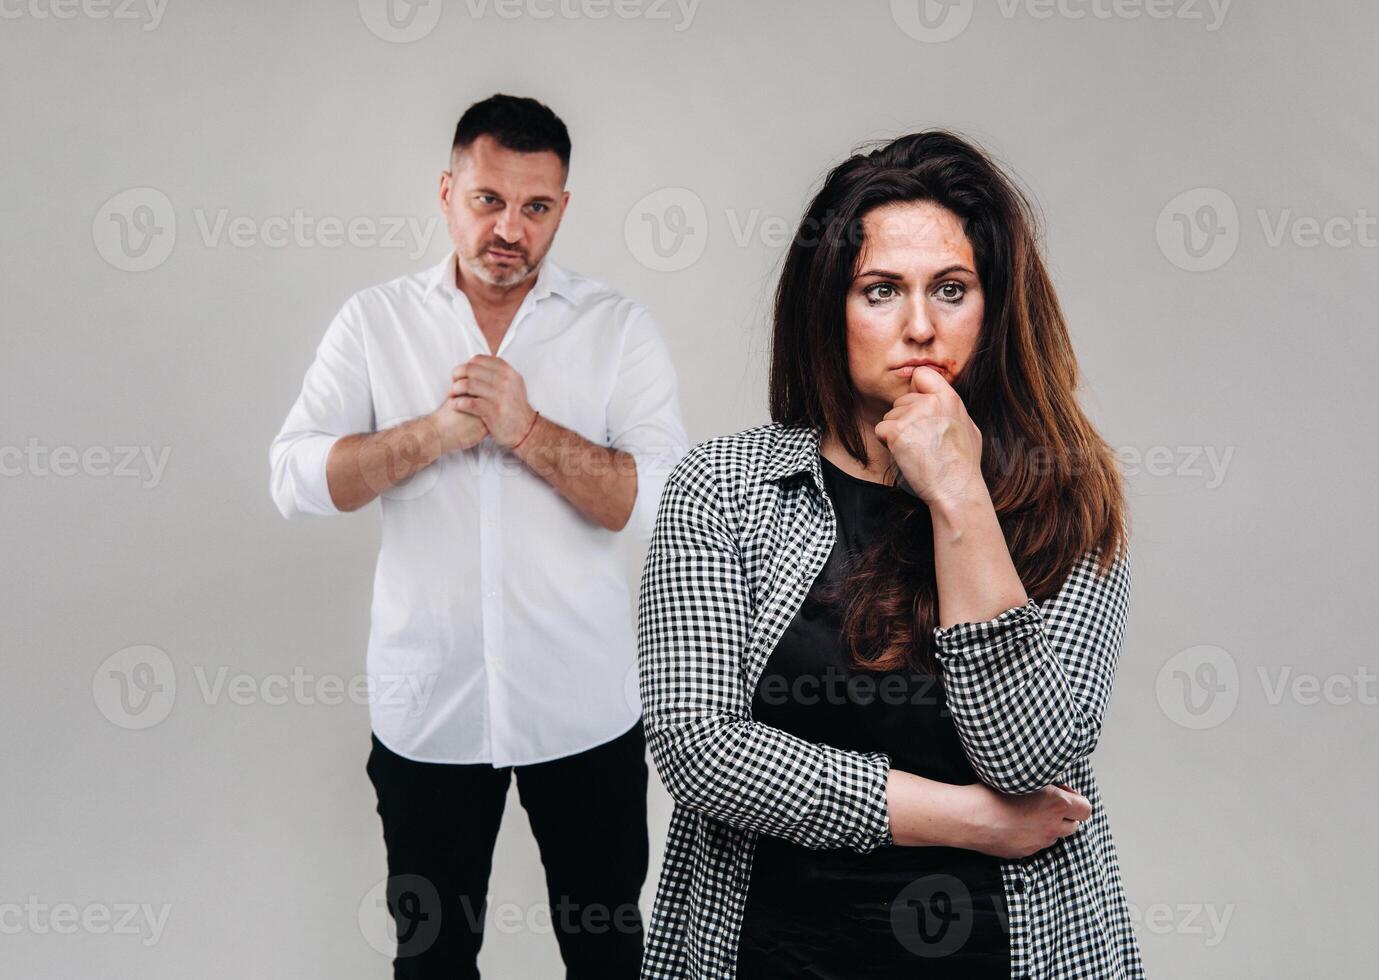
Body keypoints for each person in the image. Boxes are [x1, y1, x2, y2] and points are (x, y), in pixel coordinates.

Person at [636, 130, 1144, 978]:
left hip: (1001, 953)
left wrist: (959, 495)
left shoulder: (1068, 499)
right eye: (881, 291)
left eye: (952, 289)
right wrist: (965, 819)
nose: (919, 326)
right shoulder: (723, 490)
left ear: (996, 305)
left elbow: (1036, 758)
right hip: (767, 951)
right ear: (828, 307)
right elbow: (700, 749)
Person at [268, 94, 688, 979]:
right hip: (428, 713)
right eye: (489, 200)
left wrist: (527, 429)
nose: (510, 227)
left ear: (563, 209)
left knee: (607, 955)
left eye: (536, 207)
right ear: (448, 190)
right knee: (431, 963)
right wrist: (433, 433)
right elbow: (295, 477)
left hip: (584, 709)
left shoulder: (618, 328)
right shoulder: (374, 322)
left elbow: (655, 500)